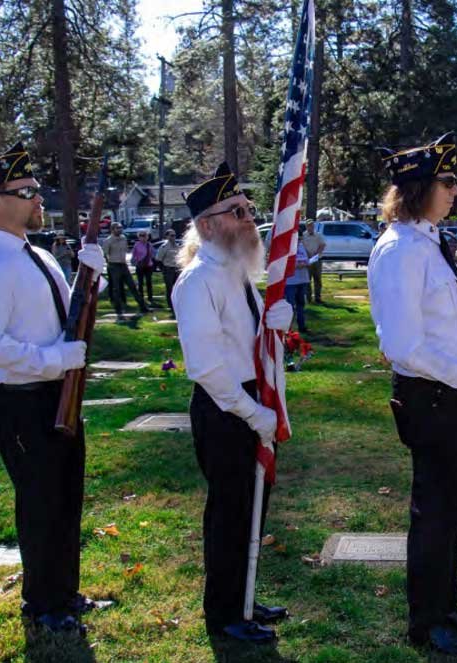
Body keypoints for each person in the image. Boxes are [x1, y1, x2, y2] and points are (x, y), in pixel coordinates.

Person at [0, 142, 106, 635]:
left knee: (65, 498)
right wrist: (53, 360)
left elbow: (67, 317)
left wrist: (92, 278)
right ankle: (42, 604)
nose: (37, 199)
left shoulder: (38, 256)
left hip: (57, 396)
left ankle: (65, 593)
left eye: (36, 190)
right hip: (19, 402)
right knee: (40, 501)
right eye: (25, 192)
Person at [369, 133, 457, 656]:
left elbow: (443, 313)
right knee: (434, 512)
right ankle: (427, 622)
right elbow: (403, 346)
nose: (455, 191)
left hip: (446, 394)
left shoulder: (427, 242)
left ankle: (447, 606)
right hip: (431, 396)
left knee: (452, 506)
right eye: (447, 182)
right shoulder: (401, 250)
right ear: (420, 188)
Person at [172, 162, 296, 643]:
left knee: (252, 508)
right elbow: (206, 367)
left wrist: (275, 323)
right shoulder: (198, 281)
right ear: (207, 226)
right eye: (236, 211)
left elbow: (246, 340)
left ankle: (243, 594)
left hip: (250, 399)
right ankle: (225, 614)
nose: (249, 218)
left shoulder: (236, 272)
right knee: (229, 512)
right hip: (225, 407)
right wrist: (253, 413)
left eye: (248, 208)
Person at [102, 222, 148, 316]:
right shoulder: (108, 241)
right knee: (116, 289)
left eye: (120, 228)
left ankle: (143, 307)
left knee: (133, 286)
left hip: (123, 265)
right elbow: (105, 254)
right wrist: (110, 264)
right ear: (112, 229)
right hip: (114, 265)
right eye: (117, 228)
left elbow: (126, 250)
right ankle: (118, 310)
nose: (120, 229)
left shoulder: (123, 238)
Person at [284, 230, 310, 332]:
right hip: (291, 282)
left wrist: (307, 263)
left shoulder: (302, 247)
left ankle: (301, 326)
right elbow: (284, 263)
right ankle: (288, 329)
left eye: (299, 239)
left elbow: (306, 259)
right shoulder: (286, 247)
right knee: (290, 306)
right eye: (297, 239)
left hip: (302, 280)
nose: (299, 241)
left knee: (301, 304)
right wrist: (297, 265)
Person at [301, 219, 327, 303]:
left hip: (317, 260)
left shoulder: (318, 235)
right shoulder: (303, 235)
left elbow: (322, 245)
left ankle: (317, 298)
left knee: (317, 279)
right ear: (306, 226)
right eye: (308, 225)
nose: (310, 227)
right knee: (307, 279)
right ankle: (308, 298)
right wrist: (307, 254)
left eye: (311, 225)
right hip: (307, 260)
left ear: (314, 226)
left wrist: (316, 254)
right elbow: (301, 246)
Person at [154, 228, 180, 311]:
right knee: (169, 288)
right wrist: (163, 270)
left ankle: (177, 304)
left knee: (177, 288)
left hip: (176, 269)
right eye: (172, 235)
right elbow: (158, 259)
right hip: (168, 269)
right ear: (167, 236)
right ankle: (170, 305)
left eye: (174, 235)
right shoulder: (164, 247)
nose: (173, 237)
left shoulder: (177, 246)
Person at [131, 230, 156, 306]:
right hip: (140, 266)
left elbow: (153, 254)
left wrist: (150, 258)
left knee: (149, 282)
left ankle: (150, 298)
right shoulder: (136, 245)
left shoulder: (149, 245)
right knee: (140, 282)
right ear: (138, 237)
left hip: (148, 266)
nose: (143, 237)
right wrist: (137, 261)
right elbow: (133, 256)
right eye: (141, 236)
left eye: (144, 235)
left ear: (147, 237)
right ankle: (141, 297)